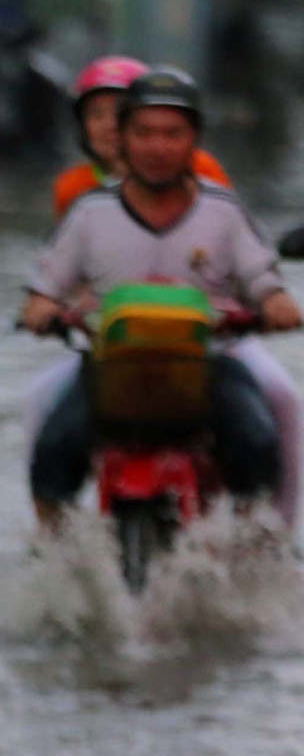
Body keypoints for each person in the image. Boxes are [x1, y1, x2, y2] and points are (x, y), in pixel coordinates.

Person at [20, 71, 300, 527]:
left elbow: (263, 280)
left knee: (258, 443)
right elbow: (44, 288)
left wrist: (275, 303)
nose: (158, 148)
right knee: (51, 453)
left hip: (207, 363)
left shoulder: (224, 211)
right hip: (111, 366)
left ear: (195, 140)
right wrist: (41, 312)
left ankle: (262, 552)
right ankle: (54, 556)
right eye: (145, 133)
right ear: (123, 138)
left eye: (173, 134)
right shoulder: (89, 212)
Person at [52, 58, 233, 220]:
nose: (111, 125)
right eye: (97, 115)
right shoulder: (72, 188)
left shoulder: (200, 169)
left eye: (120, 112)